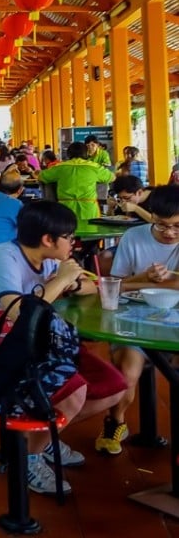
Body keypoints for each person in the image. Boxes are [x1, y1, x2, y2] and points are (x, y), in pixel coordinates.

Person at [0, 201, 126, 495]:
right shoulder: (4, 258)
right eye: (69, 237)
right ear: (48, 239)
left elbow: (89, 284)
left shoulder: (47, 259)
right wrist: (61, 279)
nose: (73, 242)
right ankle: (27, 459)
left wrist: (70, 282)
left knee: (113, 387)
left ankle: (42, 438)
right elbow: (21, 314)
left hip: (39, 340)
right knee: (74, 393)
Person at [100, 185, 179, 455]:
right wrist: (144, 279)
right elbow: (115, 285)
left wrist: (169, 279)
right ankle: (116, 423)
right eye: (161, 225)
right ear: (151, 217)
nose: (169, 233)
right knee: (127, 372)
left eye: (177, 227)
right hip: (134, 318)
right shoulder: (134, 237)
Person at [39, 141, 115, 222]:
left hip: (66, 209)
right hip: (88, 208)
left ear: (68, 154)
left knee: (67, 232)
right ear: (86, 153)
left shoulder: (60, 167)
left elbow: (42, 176)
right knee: (90, 231)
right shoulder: (94, 167)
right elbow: (111, 177)